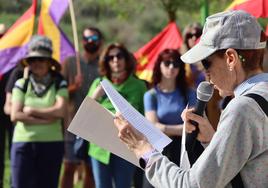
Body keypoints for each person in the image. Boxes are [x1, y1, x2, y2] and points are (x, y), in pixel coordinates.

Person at [113, 10, 268, 187]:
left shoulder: (243, 108)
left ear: (231, 59)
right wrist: (213, 140)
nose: (206, 75)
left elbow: (191, 185)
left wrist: (143, 150)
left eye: (206, 63)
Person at [10, 35, 68, 188]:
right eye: (32, 60)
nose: (36, 63)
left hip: (52, 144)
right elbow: (15, 115)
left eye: (41, 59)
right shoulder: (21, 83)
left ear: (49, 62)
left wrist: (30, 110)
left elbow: (61, 111)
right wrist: (47, 118)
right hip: (23, 145)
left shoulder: (59, 82)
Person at [88, 43, 147, 188]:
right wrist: (96, 95)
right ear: (106, 62)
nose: (115, 60)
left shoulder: (139, 86)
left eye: (119, 56)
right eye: (111, 57)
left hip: (126, 147)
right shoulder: (98, 83)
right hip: (99, 147)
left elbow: (145, 119)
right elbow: (85, 112)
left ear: (126, 59)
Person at [142, 49, 196, 188]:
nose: (171, 67)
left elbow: (193, 126)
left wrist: (164, 128)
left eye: (176, 64)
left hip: (185, 151)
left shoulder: (190, 93)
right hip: (159, 151)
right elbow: (152, 127)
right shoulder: (151, 95)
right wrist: (182, 128)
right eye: (167, 63)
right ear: (159, 65)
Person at [61, 26, 103, 188]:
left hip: (95, 123)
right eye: (86, 39)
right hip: (72, 122)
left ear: (100, 42)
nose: (89, 42)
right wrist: (73, 86)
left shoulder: (103, 65)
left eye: (93, 39)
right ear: (82, 41)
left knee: (91, 169)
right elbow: (58, 91)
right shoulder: (71, 62)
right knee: (69, 167)